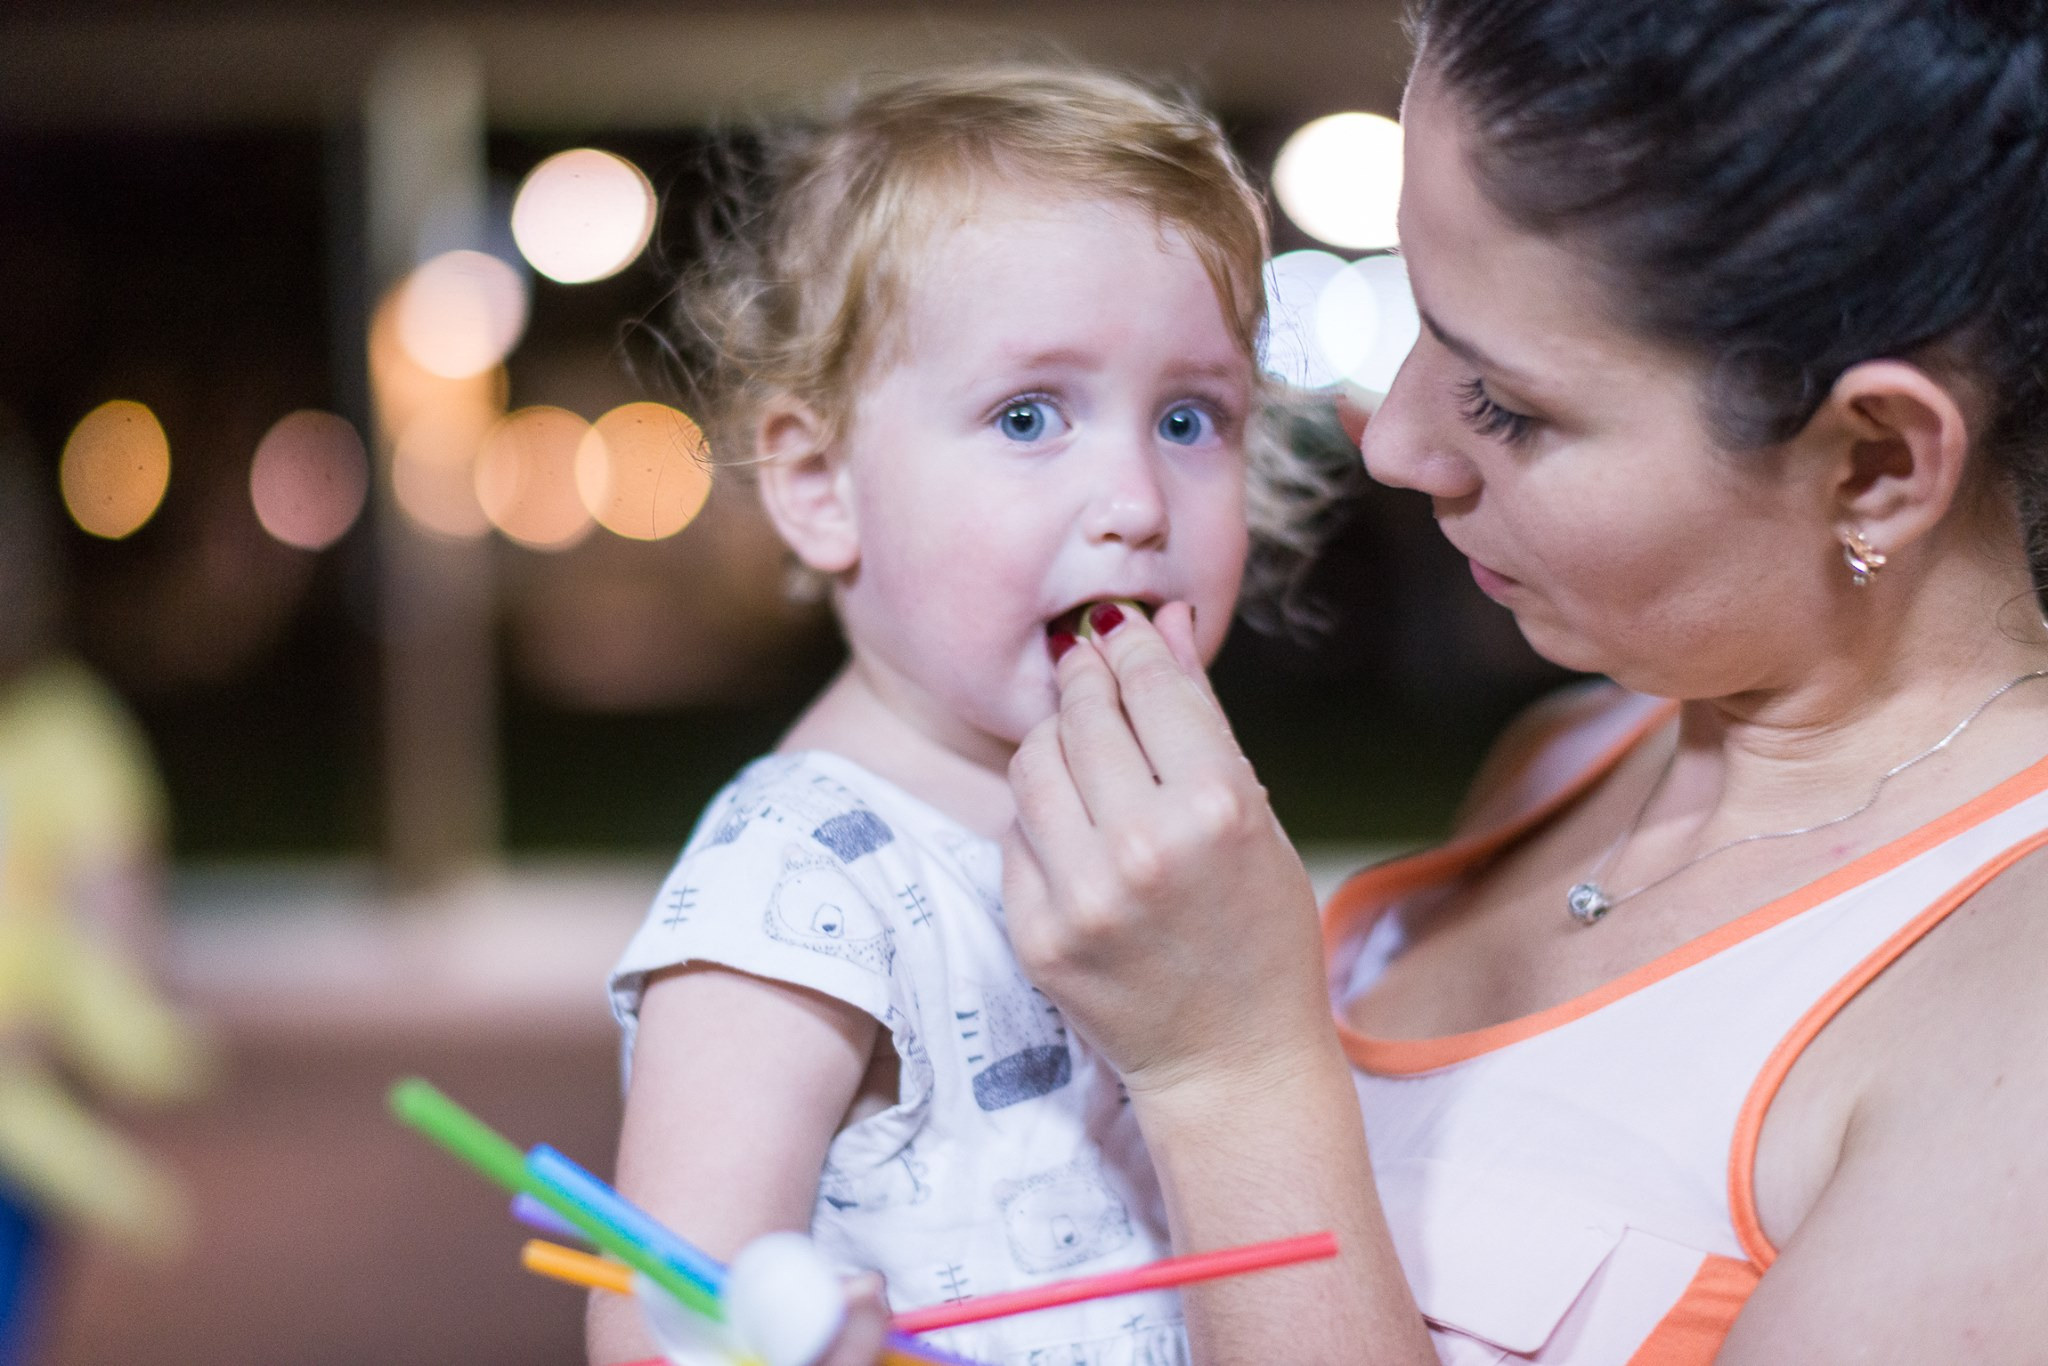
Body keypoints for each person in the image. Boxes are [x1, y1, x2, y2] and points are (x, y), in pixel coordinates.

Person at [992, 1, 2048, 1363]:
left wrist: (1232, 1074)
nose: (1396, 443)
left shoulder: (2012, 1031)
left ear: (1876, 463)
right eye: (1418, 309)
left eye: (1508, 404)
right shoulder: (1570, 754)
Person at [593, 64, 1342, 1366]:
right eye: (1029, 415)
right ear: (820, 485)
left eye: (1189, 417)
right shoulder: (797, 886)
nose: (1136, 501)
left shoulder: (1160, 821)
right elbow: (654, 1316)